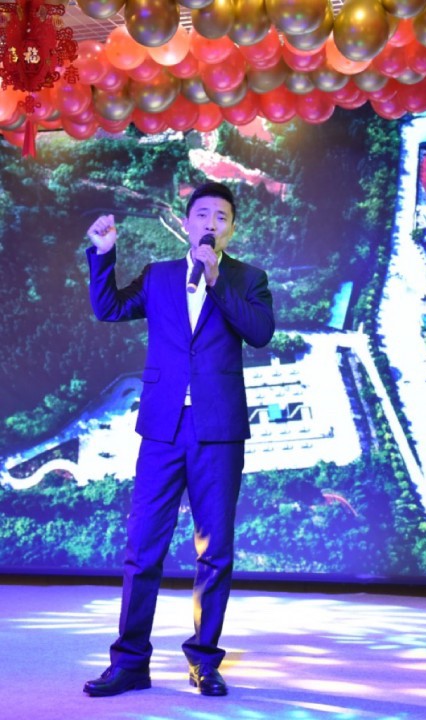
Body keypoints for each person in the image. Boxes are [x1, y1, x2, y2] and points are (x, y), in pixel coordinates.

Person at [82, 182, 275, 698]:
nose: (211, 223)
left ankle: (204, 662)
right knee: (143, 548)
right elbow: (109, 308)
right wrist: (104, 254)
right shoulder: (159, 276)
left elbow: (260, 333)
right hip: (162, 429)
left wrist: (216, 281)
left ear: (231, 229)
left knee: (214, 552)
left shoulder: (248, 278)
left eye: (221, 217)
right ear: (187, 223)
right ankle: (130, 663)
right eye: (202, 214)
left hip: (219, 431)